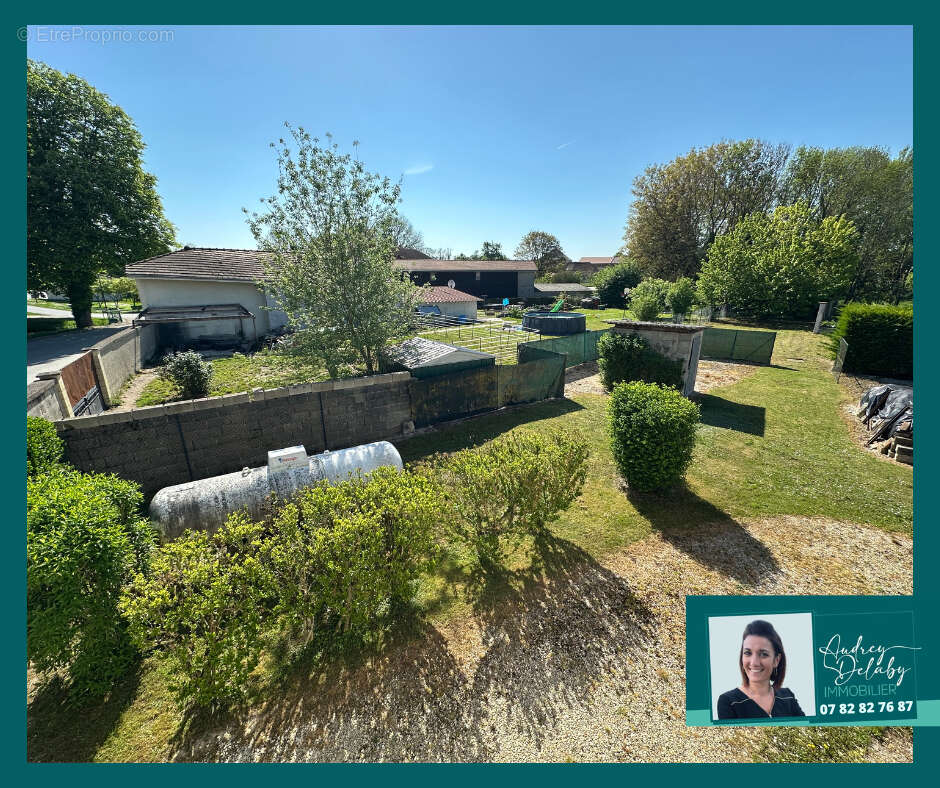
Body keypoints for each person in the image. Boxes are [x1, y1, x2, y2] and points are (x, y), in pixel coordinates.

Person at [717, 619, 805, 719]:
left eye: (763, 654)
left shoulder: (788, 696)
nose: (754, 662)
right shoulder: (729, 701)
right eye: (748, 653)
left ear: (776, 660)